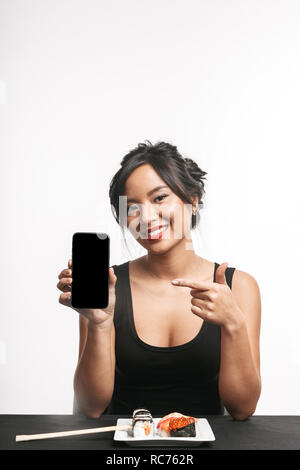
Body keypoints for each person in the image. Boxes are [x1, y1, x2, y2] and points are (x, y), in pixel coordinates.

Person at [57, 141, 261, 420]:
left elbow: (243, 409)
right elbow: (90, 407)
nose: (147, 217)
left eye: (159, 198)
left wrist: (234, 324)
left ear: (192, 200)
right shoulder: (108, 286)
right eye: (131, 207)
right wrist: (100, 324)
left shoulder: (238, 286)